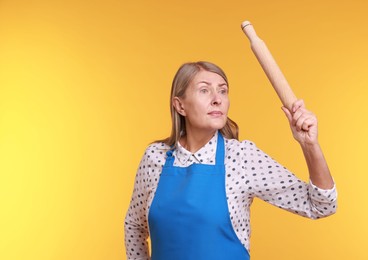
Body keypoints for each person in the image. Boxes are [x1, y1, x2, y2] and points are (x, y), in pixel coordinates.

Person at [124, 61, 337, 260]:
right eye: (204, 90)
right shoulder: (155, 157)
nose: (217, 98)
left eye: (223, 91)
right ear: (180, 106)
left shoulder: (241, 157)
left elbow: (321, 205)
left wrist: (310, 145)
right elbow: (134, 225)